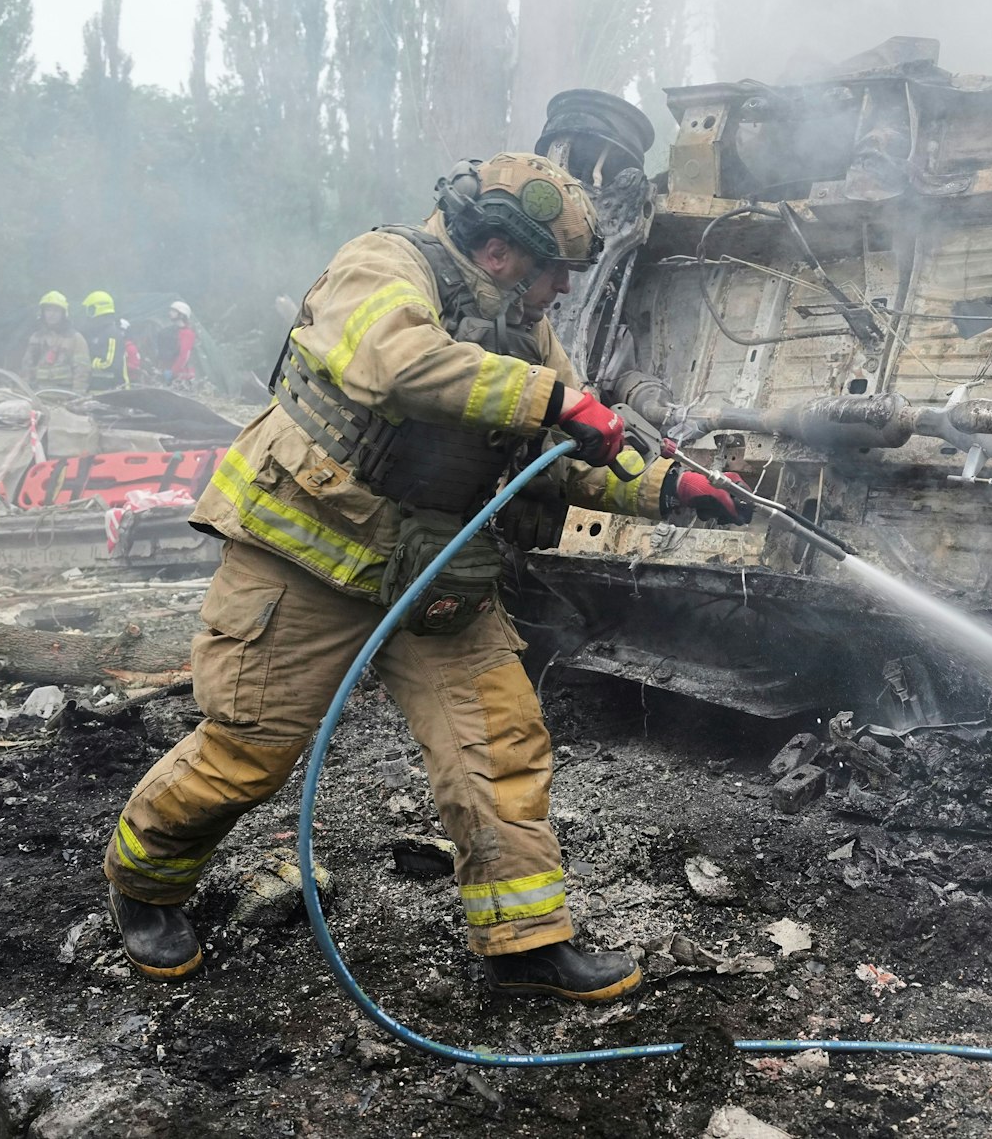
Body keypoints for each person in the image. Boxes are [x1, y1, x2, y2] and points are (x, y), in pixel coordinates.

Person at [102, 153, 748, 1000]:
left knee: (498, 743)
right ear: (498, 251)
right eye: (553, 270)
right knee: (247, 753)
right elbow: (397, 361)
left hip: (438, 572)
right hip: (306, 553)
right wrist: (555, 400)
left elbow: (558, 457)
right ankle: (144, 883)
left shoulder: (527, 331)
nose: (561, 290)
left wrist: (670, 487)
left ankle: (524, 942)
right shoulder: (383, 266)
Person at [21, 290, 89, 395]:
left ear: (63, 314)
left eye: (56, 311)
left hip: (65, 395)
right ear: (42, 313)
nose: (51, 314)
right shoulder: (36, 337)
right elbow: (27, 366)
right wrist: (25, 391)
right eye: (48, 310)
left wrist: (77, 395)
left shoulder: (75, 338)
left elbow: (82, 370)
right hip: (39, 393)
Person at [80, 290, 126, 391]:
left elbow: (108, 363)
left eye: (89, 309)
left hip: (113, 389)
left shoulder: (112, 334)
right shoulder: (96, 332)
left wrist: (85, 363)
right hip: (100, 386)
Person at [166, 300, 196, 385]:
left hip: (183, 377)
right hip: (175, 374)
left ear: (182, 315)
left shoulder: (187, 333)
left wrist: (173, 372)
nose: (170, 313)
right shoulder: (175, 331)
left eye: (173, 311)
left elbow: (184, 356)